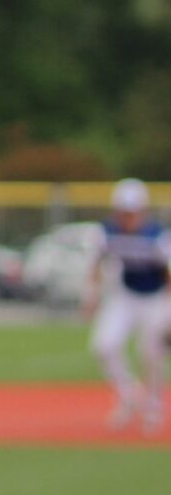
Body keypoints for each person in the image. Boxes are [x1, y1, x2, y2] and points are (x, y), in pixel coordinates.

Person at [84, 177, 170, 432]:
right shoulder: (108, 231)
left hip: (156, 297)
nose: (127, 218)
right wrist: (92, 295)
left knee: (151, 353)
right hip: (126, 295)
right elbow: (96, 264)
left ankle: (154, 407)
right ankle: (128, 395)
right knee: (103, 345)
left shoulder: (158, 236)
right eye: (123, 212)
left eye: (131, 212)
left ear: (142, 211)